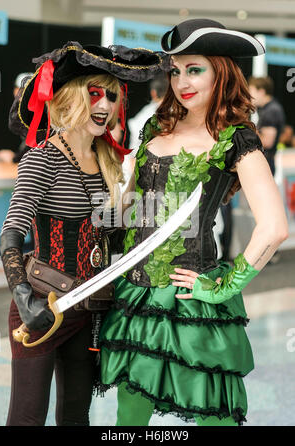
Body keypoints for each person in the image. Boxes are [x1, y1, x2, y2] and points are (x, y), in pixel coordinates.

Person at [97, 19, 288, 426]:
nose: (182, 81)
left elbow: (274, 226)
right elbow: (131, 204)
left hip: (193, 300)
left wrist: (222, 287)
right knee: (129, 416)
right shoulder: (155, 126)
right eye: (176, 70)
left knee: (211, 415)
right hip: (136, 297)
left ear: (221, 70)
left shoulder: (237, 138)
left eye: (195, 68)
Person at [0, 41, 168, 426]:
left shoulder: (105, 159)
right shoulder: (43, 156)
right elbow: (11, 233)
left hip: (89, 309)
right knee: (26, 418)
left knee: (76, 418)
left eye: (112, 96)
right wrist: (25, 301)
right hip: (43, 307)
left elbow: (111, 230)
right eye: (95, 93)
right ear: (73, 98)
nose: (105, 105)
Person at [248, 76, 285, 176]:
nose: (249, 96)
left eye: (251, 92)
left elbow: (267, 142)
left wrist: (247, 127)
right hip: (265, 162)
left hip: (265, 163)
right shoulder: (268, 109)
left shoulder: (271, 110)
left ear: (261, 92)